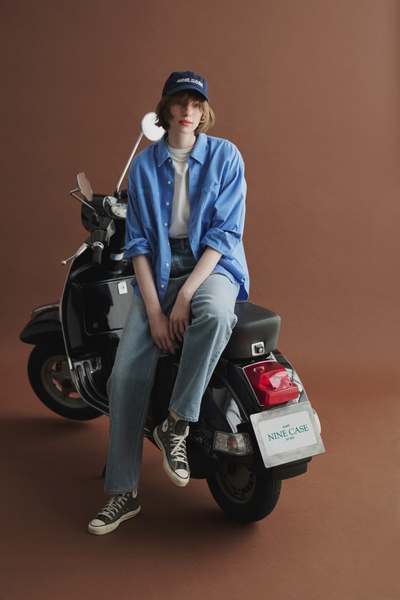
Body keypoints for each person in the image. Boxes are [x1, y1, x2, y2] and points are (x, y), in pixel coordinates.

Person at [88, 71, 249, 535]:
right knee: (125, 376)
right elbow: (137, 244)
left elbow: (225, 233)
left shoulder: (226, 156)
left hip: (211, 265)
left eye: (196, 104)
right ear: (165, 108)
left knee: (215, 314)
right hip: (158, 269)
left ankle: (177, 422)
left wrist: (186, 296)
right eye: (180, 102)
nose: (187, 111)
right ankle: (123, 493)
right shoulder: (143, 166)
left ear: (204, 111)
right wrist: (156, 311)